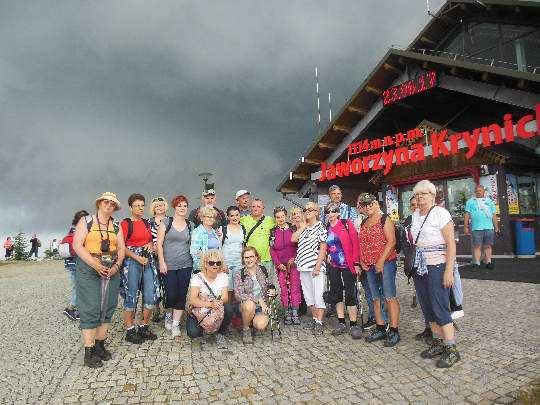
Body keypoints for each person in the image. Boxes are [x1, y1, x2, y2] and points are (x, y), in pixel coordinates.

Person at [411, 179, 461, 368]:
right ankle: (438, 343)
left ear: (432, 196)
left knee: (440, 305)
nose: (420, 197)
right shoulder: (415, 215)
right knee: (427, 307)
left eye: (423, 194)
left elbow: (451, 244)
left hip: (437, 266)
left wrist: (449, 270)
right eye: (417, 194)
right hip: (420, 267)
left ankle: (451, 348)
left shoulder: (441, 213)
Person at [72, 192, 125, 368]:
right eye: (106, 202)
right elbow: (77, 245)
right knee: (91, 307)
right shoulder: (86, 221)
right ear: (99, 204)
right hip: (89, 266)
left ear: (115, 208)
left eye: (112, 204)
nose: (109, 205)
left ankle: (100, 345)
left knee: (108, 306)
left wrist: (117, 266)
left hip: (111, 267)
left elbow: (121, 249)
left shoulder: (116, 225)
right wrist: (94, 264)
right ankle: (89, 351)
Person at [358, 193, 401, 347]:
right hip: (369, 265)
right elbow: (361, 243)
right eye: (365, 205)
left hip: (386, 263)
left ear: (376, 204)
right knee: (375, 297)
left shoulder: (385, 219)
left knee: (389, 296)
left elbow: (392, 242)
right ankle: (381, 326)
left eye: (371, 204)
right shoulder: (364, 222)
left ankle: (394, 330)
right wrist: (362, 260)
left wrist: (381, 261)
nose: (368, 207)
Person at [120, 193, 158, 344]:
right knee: (131, 295)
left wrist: (150, 245)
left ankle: (144, 326)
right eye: (137, 205)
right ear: (131, 207)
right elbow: (121, 246)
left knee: (150, 293)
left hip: (147, 260)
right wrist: (137, 257)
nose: (141, 208)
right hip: (132, 261)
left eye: (142, 205)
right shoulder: (125, 223)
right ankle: (130, 330)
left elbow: (151, 241)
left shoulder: (147, 223)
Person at [324, 202, 363, 339]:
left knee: (351, 294)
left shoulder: (346, 224)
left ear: (338, 212)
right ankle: (341, 322)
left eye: (333, 211)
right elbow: (327, 245)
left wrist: (357, 263)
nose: (330, 214)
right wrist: (328, 254)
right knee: (337, 293)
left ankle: (353, 324)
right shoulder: (327, 227)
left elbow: (355, 244)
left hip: (348, 265)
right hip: (334, 266)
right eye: (327, 211)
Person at [156, 195, 193, 338]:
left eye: (185, 206)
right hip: (168, 265)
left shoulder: (190, 225)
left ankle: (176, 324)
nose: (182, 208)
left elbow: (193, 243)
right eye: (179, 206)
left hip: (186, 264)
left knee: (182, 294)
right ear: (174, 207)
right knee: (170, 294)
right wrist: (161, 262)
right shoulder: (166, 222)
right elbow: (159, 243)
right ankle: (168, 314)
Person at [292, 202, 327, 335]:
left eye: (310, 209)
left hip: (315, 267)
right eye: (305, 209)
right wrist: (304, 226)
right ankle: (314, 318)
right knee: (308, 296)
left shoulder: (321, 227)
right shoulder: (304, 227)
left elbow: (323, 248)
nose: (307, 211)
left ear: (317, 212)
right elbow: (293, 239)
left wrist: (318, 266)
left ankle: (319, 322)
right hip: (303, 267)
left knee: (318, 295)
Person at [187, 250, 232, 349]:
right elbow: (193, 300)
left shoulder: (223, 276)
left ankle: (221, 333)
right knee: (192, 333)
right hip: (201, 308)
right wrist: (210, 304)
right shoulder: (197, 277)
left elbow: (225, 297)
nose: (215, 265)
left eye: (218, 263)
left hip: (216, 306)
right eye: (211, 263)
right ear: (205, 264)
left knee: (228, 308)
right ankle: (203, 332)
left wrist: (217, 303)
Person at [403, 196, 433, 343]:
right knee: (423, 299)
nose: (415, 207)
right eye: (412, 205)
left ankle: (439, 331)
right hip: (415, 266)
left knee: (434, 298)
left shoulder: (429, 218)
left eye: (417, 204)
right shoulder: (408, 221)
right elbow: (405, 243)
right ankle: (428, 328)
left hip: (431, 265)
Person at [270, 207, 301, 325]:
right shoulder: (272, 232)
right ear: (275, 218)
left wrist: (294, 258)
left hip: (293, 264)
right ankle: (287, 312)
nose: (280, 219)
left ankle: (295, 312)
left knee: (294, 288)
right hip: (281, 266)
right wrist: (278, 264)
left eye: (282, 216)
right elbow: (272, 250)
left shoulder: (293, 229)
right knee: (283, 288)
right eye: (278, 217)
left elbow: (299, 246)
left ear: (286, 216)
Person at [240, 198, 277, 294]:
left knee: (268, 285)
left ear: (263, 208)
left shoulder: (270, 220)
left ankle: (268, 307)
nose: (255, 208)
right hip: (251, 260)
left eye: (258, 206)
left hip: (266, 259)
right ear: (250, 208)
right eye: (253, 206)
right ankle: (254, 307)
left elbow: (283, 225)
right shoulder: (243, 220)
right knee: (251, 286)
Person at [234, 246, 270, 343]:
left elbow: (270, 286)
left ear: (256, 257)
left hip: (261, 307)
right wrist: (258, 300)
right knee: (250, 305)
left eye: (251, 256)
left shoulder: (263, 270)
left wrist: (272, 291)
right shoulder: (239, 273)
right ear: (243, 259)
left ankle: (251, 321)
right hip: (245, 305)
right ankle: (246, 329)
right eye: (246, 257)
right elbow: (238, 295)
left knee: (261, 325)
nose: (249, 259)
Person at [464, 184, 499, 269]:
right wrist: (465, 226)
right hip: (476, 228)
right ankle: (477, 263)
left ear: (484, 191)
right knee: (477, 246)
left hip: (489, 227)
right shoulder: (470, 201)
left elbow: (494, 215)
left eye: (480, 190)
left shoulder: (489, 201)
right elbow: (467, 214)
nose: (478, 192)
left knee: (488, 246)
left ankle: (488, 262)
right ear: (475, 192)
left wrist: (497, 228)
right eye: (477, 191)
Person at [63, 210, 89, 321]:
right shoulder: (81, 230)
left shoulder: (71, 231)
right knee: (80, 287)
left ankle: (76, 308)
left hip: (70, 263)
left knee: (77, 286)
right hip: (77, 263)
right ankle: (72, 309)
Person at [354, 198, 376, 330]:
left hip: (373, 261)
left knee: (377, 291)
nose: (361, 207)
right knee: (368, 291)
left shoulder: (376, 219)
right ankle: (373, 317)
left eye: (364, 205)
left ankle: (381, 318)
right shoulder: (357, 221)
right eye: (359, 205)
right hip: (361, 261)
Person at [148, 196, 169, 322]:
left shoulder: (170, 221)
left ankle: (168, 310)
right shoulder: (148, 222)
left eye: (161, 205)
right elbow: (145, 237)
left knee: (167, 285)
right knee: (154, 285)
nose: (159, 208)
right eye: (156, 206)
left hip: (168, 257)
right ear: (153, 209)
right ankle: (156, 309)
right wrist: (152, 245)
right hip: (152, 258)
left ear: (165, 206)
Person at [221, 206, 246, 297]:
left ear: (240, 216)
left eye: (237, 215)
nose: (235, 217)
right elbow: (218, 247)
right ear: (228, 217)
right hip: (226, 263)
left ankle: (237, 310)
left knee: (238, 288)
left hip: (239, 263)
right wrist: (222, 263)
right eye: (232, 216)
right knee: (227, 289)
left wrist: (244, 262)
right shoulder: (223, 229)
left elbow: (243, 246)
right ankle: (227, 310)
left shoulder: (243, 229)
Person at [190, 206, 222, 272]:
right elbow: (194, 252)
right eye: (208, 216)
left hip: (215, 267)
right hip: (203, 268)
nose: (210, 219)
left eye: (212, 217)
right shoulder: (197, 232)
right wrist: (205, 265)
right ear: (202, 218)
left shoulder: (214, 232)